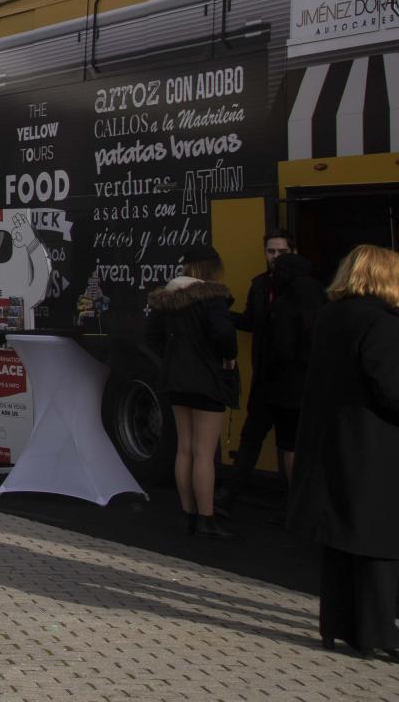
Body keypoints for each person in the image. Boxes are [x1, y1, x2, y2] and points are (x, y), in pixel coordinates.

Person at [288, 244, 399, 660]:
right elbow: (392, 389)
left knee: (340, 541)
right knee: (379, 542)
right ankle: (379, 634)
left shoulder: (332, 315)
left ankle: (336, 625)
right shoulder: (383, 323)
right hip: (374, 446)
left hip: (332, 441)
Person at [144, 245, 240, 539]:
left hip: (176, 379)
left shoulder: (167, 298)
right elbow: (223, 333)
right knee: (204, 453)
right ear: (211, 267)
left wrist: (173, 358)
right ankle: (206, 518)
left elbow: (152, 337)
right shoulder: (212, 297)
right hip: (207, 379)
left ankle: (187, 514)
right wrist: (228, 355)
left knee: (184, 448)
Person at [229, 235, 322, 492]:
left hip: (290, 379)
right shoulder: (259, 285)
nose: (276, 257)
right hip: (266, 378)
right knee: (252, 436)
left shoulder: (306, 292)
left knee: (289, 441)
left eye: (282, 251)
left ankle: (294, 500)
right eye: (271, 251)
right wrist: (219, 314)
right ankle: (232, 493)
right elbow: (249, 321)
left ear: (294, 252)